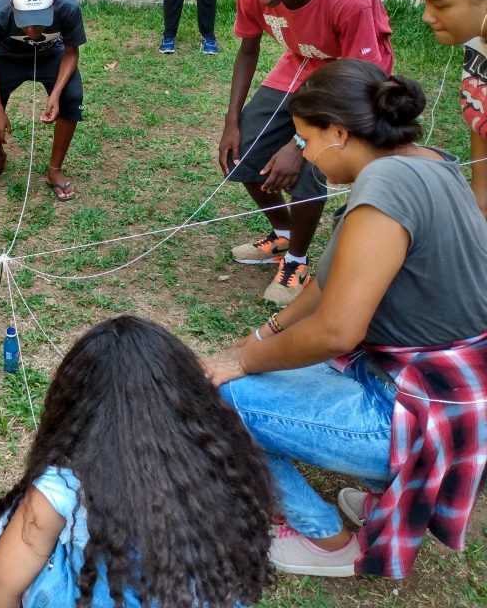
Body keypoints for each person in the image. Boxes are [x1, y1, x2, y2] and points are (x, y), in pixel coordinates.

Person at [204, 60, 487, 580]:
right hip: (453, 394)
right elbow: (327, 286)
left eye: (305, 139)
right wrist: (261, 337)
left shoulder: (384, 187)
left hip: (425, 414)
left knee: (217, 399)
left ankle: (326, 541)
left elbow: (337, 330)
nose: (304, 153)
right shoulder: (429, 161)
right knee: (255, 371)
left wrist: (241, 363)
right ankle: (383, 492)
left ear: (338, 132)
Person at [0, 315, 276, 608]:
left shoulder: (64, 486)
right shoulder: (220, 456)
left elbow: (2, 584)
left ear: (73, 409)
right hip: (201, 595)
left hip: (103, 595)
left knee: (8, 524)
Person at [218, 0, 393, 306]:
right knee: (240, 157)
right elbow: (248, 50)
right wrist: (232, 122)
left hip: (351, 80)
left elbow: (362, 81)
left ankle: (297, 261)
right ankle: (283, 233)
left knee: (306, 168)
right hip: (297, 66)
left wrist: (298, 145)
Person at [0, 0, 85, 201]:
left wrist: (55, 94)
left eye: (39, 22)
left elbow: (71, 52)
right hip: (7, 57)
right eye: (26, 23)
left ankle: (54, 170)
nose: (33, 30)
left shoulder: (68, 8)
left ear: (53, 4)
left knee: (71, 98)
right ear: (13, 6)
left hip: (52, 54)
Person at [417, 0, 487, 217]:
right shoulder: (477, 36)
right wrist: (480, 197)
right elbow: (481, 120)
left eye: (440, 5)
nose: (426, 17)